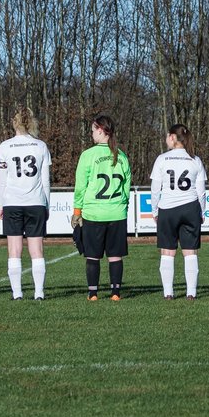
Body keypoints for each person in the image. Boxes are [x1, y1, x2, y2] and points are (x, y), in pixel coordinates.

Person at [73, 115, 132, 301]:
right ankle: (115, 293)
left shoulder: (88, 155)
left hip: (93, 213)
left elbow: (80, 186)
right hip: (116, 212)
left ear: (100, 130)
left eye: (92, 130)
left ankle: (93, 294)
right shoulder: (121, 155)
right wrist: (123, 206)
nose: (91, 134)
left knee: (93, 256)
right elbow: (126, 187)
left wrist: (77, 212)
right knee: (115, 256)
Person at [0, 108, 51, 300]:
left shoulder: (5, 146)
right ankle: (39, 293)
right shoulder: (41, 146)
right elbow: (45, 181)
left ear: (14, 123)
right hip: (36, 202)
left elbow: (1, 180)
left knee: (14, 250)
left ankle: (17, 293)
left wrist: (0, 204)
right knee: (36, 250)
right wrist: (47, 205)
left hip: (12, 202)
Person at [150, 123, 207, 300]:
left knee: (168, 252)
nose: (166, 139)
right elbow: (201, 192)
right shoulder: (195, 160)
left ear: (173, 138)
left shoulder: (162, 159)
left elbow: (155, 189)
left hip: (168, 208)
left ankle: (168, 293)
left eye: (168, 136)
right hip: (190, 208)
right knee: (190, 252)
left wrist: (154, 211)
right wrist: (202, 212)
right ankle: (191, 293)